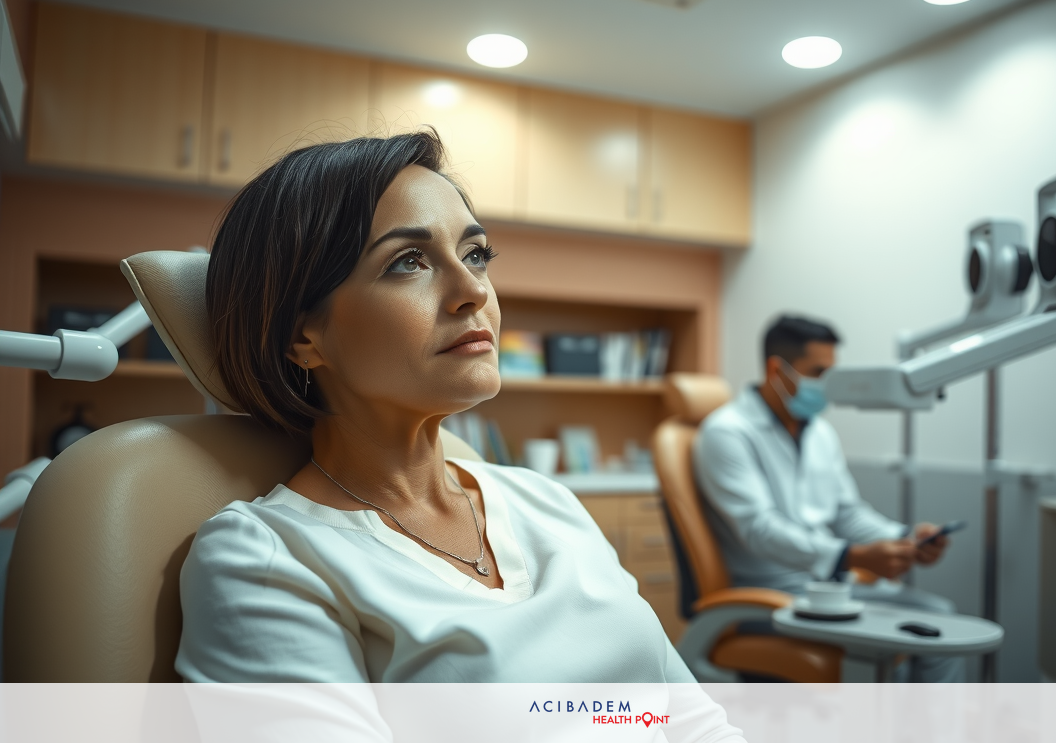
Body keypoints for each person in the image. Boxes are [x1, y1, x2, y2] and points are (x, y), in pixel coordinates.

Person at [174, 132, 745, 738]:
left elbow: (688, 719)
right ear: (301, 337)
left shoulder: (545, 502)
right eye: (408, 262)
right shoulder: (268, 560)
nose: (474, 292)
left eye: (476, 254)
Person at [693, 315, 964, 682]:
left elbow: (846, 514)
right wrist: (849, 556)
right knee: (916, 636)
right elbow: (759, 529)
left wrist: (904, 538)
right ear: (776, 369)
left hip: (829, 588)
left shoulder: (820, 432)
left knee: (943, 622)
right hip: (771, 598)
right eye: (818, 373)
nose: (829, 387)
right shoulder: (727, 433)